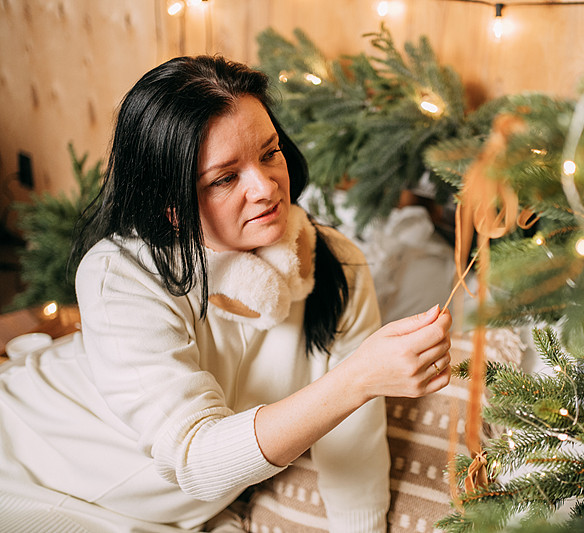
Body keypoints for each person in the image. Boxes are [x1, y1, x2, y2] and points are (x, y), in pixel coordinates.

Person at [0, 55, 452, 533]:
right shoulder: (120, 275)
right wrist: (357, 378)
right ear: (171, 205)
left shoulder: (335, 263)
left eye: (269, 153)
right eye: (224, 178)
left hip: (180, 512)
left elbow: (354, 439)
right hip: (28, 469)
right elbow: (195, 458)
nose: (266, 188)